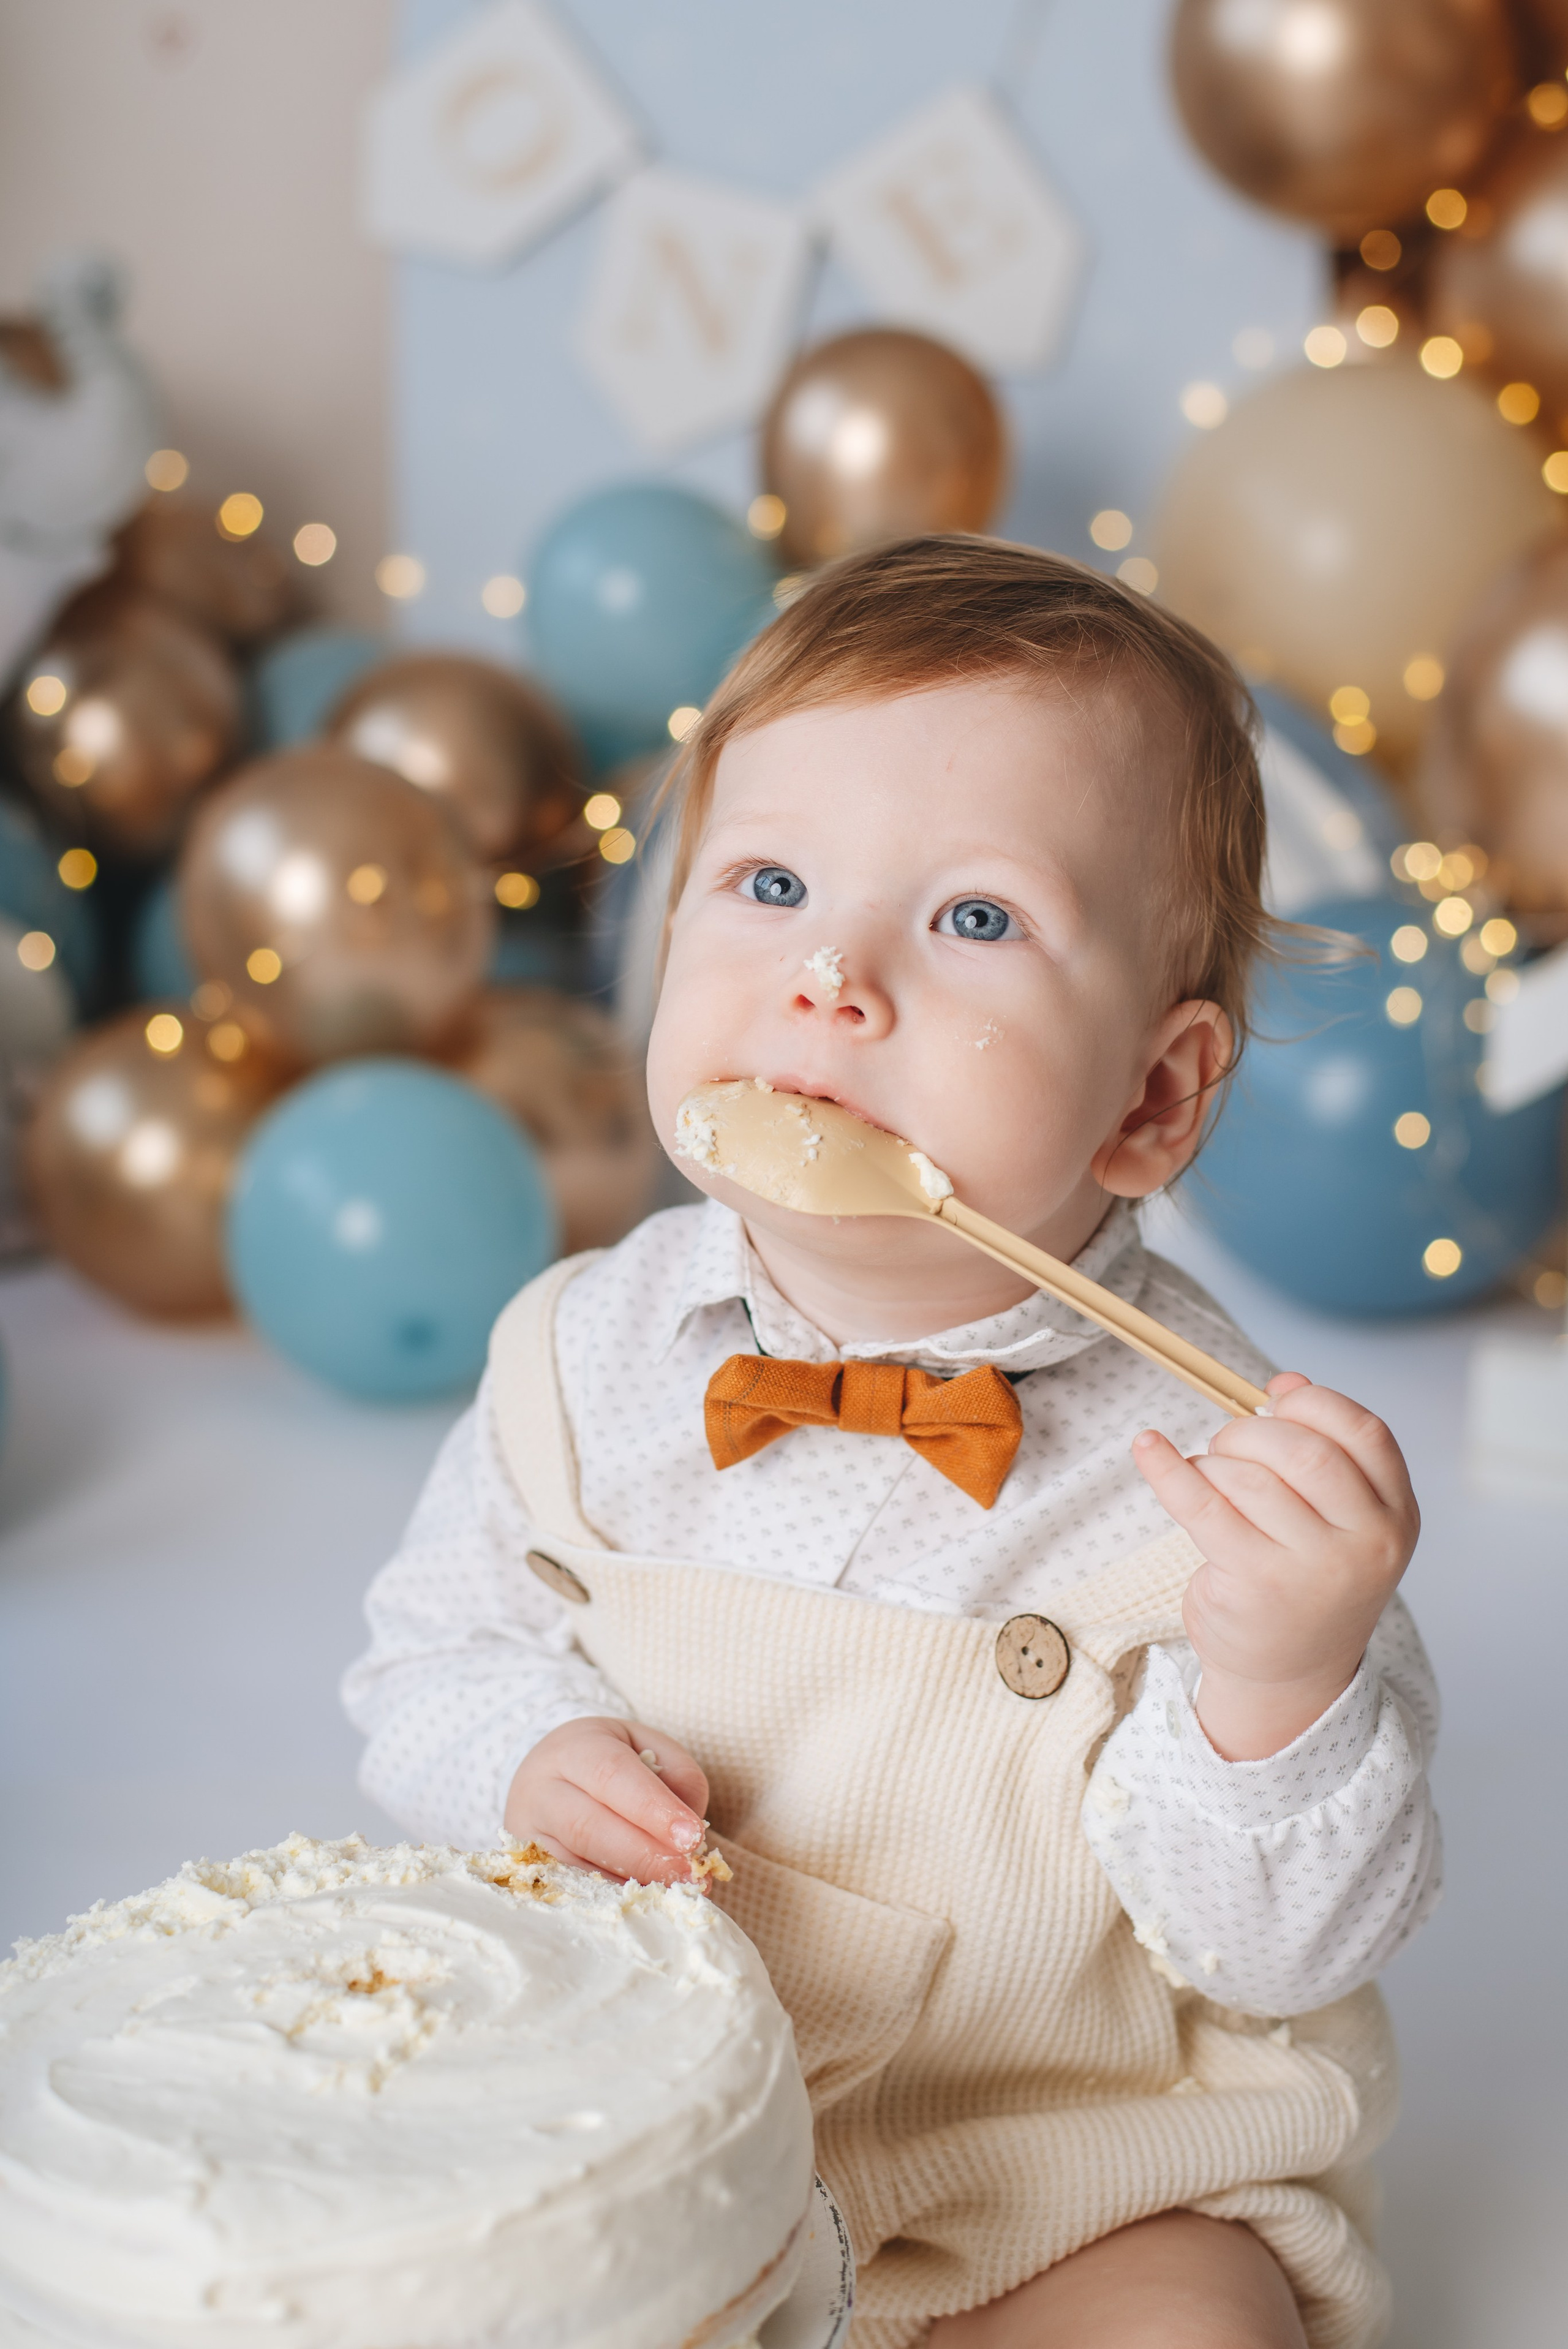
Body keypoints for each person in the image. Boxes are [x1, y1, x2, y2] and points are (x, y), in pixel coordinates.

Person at [344, 538, 1438, 2349]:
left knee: (1187, 2325)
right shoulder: (580, 1358)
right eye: (769, 881)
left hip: (1077, 2158)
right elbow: (427, 1657)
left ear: (1154, 1096)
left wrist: (1284, 1678)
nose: (832, 975)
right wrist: (526, 1753)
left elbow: (1285, 1952)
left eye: (976, 918)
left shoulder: (1224, 1486)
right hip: (666, 2126)